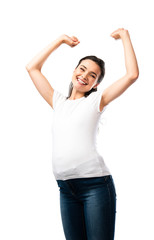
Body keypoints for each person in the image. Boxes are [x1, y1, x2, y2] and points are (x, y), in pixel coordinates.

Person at [26, 28, 139, 240]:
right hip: (65, 189)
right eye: (82, 69)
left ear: (96, 84)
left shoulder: (97, 101)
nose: (84, 76)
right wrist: (59, 40)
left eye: (92, 75)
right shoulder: (58, 101)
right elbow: (32, 68)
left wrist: (124, 36)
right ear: (74, 70)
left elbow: (132, 75)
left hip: (95, 186)